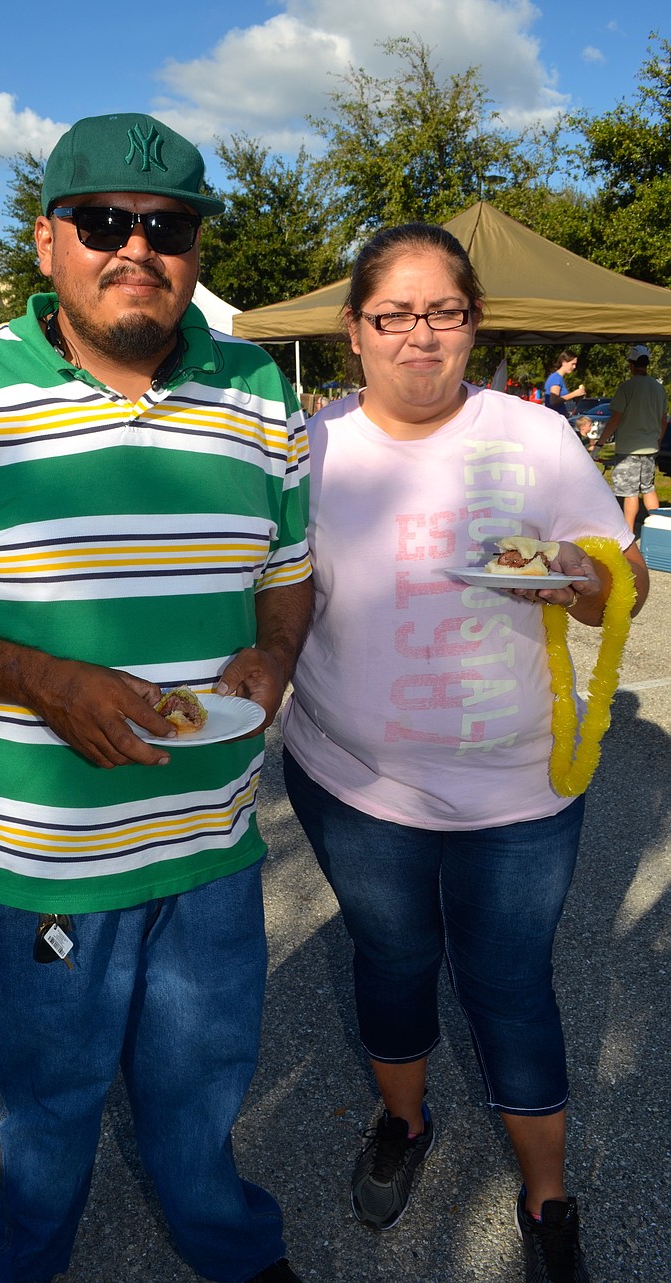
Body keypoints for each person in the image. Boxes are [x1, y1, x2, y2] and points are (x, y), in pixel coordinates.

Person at [0, 112, 312, 1283]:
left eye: (168, 227)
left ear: (194, 249)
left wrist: (273, 657)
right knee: (44, 1102)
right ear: (49, 239)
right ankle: (20, 1257)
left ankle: (227, 1246)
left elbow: (288, 578)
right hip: (43, 854)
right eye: (105, 221)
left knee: (204, 1083)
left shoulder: (255, 385)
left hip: (211, 837)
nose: (137, 247)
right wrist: (39, 673)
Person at [281, 223, 648, 1283]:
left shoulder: (532, 435)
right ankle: (403, 1121)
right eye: (392, 313)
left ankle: (547, 1197)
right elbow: (276, 594)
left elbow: (624, 580)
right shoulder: (311, 450)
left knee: (509, 984)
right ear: (354, 331)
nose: (419, 335)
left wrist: (578, 582)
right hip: (353, 785)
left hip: (516, 793)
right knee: (391, 961)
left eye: (442, 310)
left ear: (472, 319)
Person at [591, 344, 668, 533]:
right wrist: (658, 441)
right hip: (650, 448)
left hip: (629, 450)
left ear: (631, 364)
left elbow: (615, 419)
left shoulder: (626, 387)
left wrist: (599, 444)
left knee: (630, 494)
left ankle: (628, 536)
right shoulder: (659, 389)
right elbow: (663, 420)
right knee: (648, 489)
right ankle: (660, 531)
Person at [544, 349, 585, 416]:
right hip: (554, 418)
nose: (574, 367)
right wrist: (574, 394)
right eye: (572, 364)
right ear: (564, 362)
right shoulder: (556, 378)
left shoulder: (558, 378)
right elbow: (553, 402)